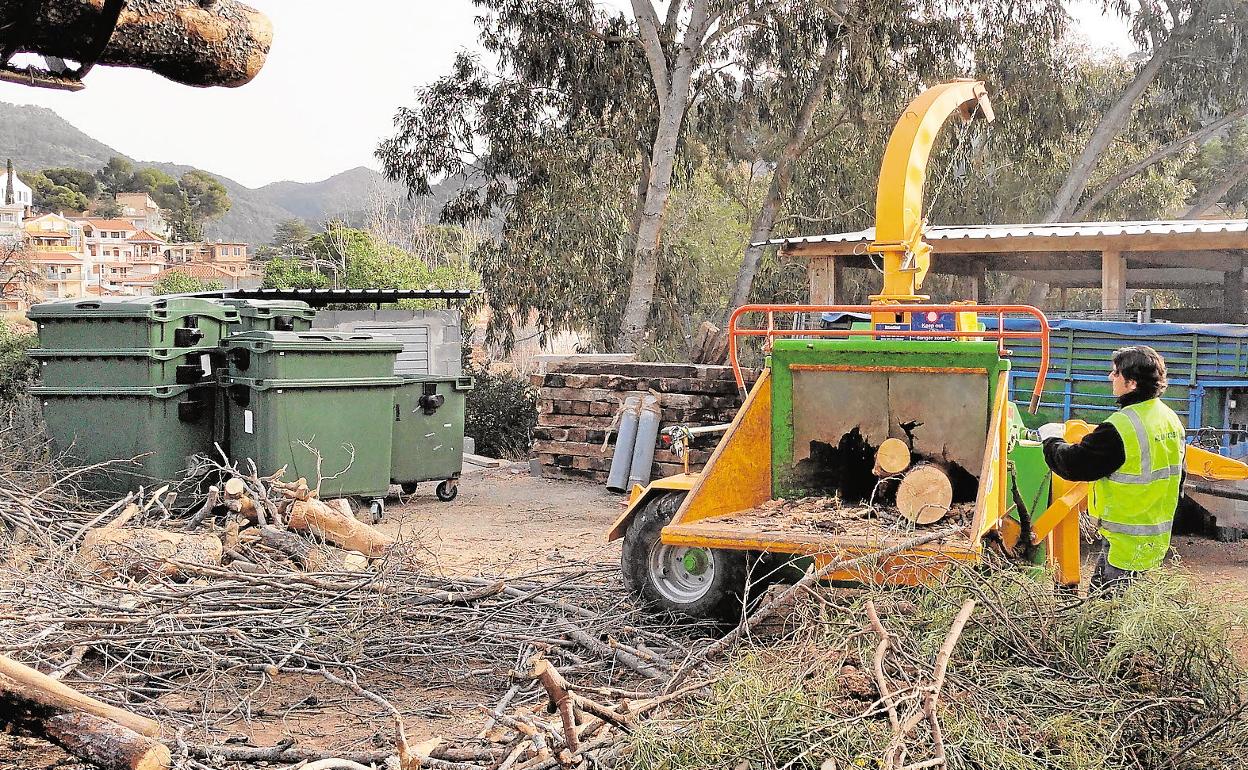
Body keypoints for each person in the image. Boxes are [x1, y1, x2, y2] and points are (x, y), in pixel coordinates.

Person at [1036, 346, 1186, 594]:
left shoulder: (1121, 428)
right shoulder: (1170, 419)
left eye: (1115, 373)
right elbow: (1179, 477)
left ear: (1131, 383)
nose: (1110, 377)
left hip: (1125, 541)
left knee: (1110, 616)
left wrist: (1051, 440)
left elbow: (1074, 465)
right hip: (1154, 536)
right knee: (1123, 607)